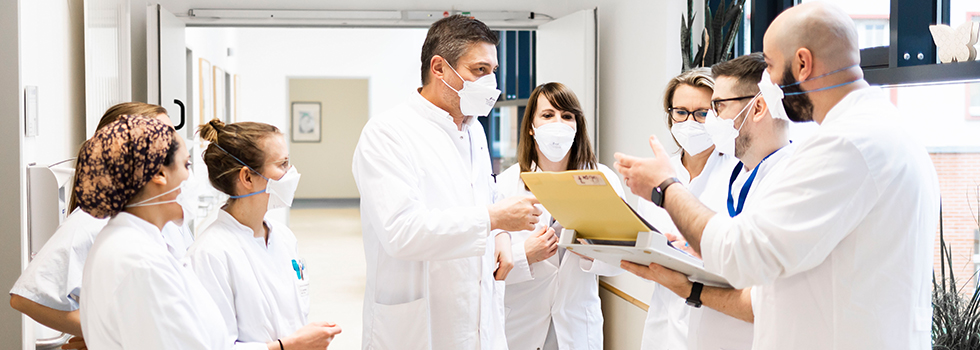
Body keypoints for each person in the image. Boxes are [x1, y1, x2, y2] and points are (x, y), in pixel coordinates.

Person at [615, 2, 940, 349]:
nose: (766, 83)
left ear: (802, 63)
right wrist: (692, 287)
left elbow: (741, 255)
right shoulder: (877, 130)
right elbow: (770, 290)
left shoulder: (847, 144)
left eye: (769, 66)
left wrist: (665, 186)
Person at [352, 14, 540, 350]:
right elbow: (401, 232)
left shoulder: (474, 132)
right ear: (439, 68)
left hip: (480, 319)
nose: (491, 84)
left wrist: (499, 236)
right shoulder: (387, 133)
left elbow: (482, 197)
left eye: (493, 71)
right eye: (479, 70)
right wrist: (493, 220)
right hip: (418, 328)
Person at [77, 115, 335, 349]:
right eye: (186, 165)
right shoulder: (142, 263)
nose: (191, 180)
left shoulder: (136, 247)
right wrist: (284, 347)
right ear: (158, 174)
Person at [624, 52, 796, 350]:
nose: (710, 120)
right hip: (677, 330)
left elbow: (761, 296)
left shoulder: (786, 179)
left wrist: (690, 286)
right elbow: (738, 249)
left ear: (758, 106)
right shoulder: (746, 171)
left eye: (715, 108)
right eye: (681, 112)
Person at [8, 102, 193, 349]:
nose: (174, 146)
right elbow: (27, 297)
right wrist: (107, 335)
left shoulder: (168, 218)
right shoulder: (93, 222)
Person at [186, 119, 341, 346]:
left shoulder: (284, 237)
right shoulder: (209, 255)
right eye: (282, 164)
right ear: (247, 177)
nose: (292, 173)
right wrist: (287, 347)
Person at [497, 82, 623, 350]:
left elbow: (621, 260)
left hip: (577, 328)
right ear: (531, 127)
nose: (558, 122)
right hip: (520, 328)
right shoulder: (505, 186)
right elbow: (488, 267)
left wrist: (590, 250)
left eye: (567, 116)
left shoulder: (603, 181)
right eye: (547, 115)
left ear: (577, 127)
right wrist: (525, 255)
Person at [633, 68, 738, 350]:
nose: (690, 122)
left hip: (718, 322)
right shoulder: (658, 171)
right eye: (680, 111)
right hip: (662, 323)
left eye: (702, 113)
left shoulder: (738, 172)